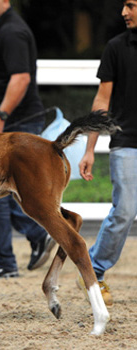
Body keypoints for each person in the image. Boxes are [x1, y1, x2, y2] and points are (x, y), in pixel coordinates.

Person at [0, 0, 54, 278]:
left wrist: (0, 115)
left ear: (5, 2)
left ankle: (9, 256)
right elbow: (2, 79)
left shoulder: (12, 32)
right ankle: (27, 242)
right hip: (9, 120)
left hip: (18, 123)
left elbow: (20, 79)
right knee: (1, 192)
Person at [76, 0, 137, 307]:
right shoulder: (116, 47)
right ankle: (94, 270)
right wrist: (90, 149)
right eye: (124, 5)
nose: (124, 13)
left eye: (132, 5)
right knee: (125, 211)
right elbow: (102, 100)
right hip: (126, 142)